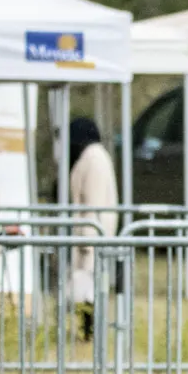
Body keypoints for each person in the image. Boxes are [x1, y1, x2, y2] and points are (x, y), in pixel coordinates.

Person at [65, 116, 118, 338]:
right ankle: (88, 331)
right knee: (87, 287)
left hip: (91, 234)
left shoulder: (94, 160)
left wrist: (88, 236)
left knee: (88, 288)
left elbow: (94, 202)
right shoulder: (94, 157)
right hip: (91, 232)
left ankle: (90, 332)